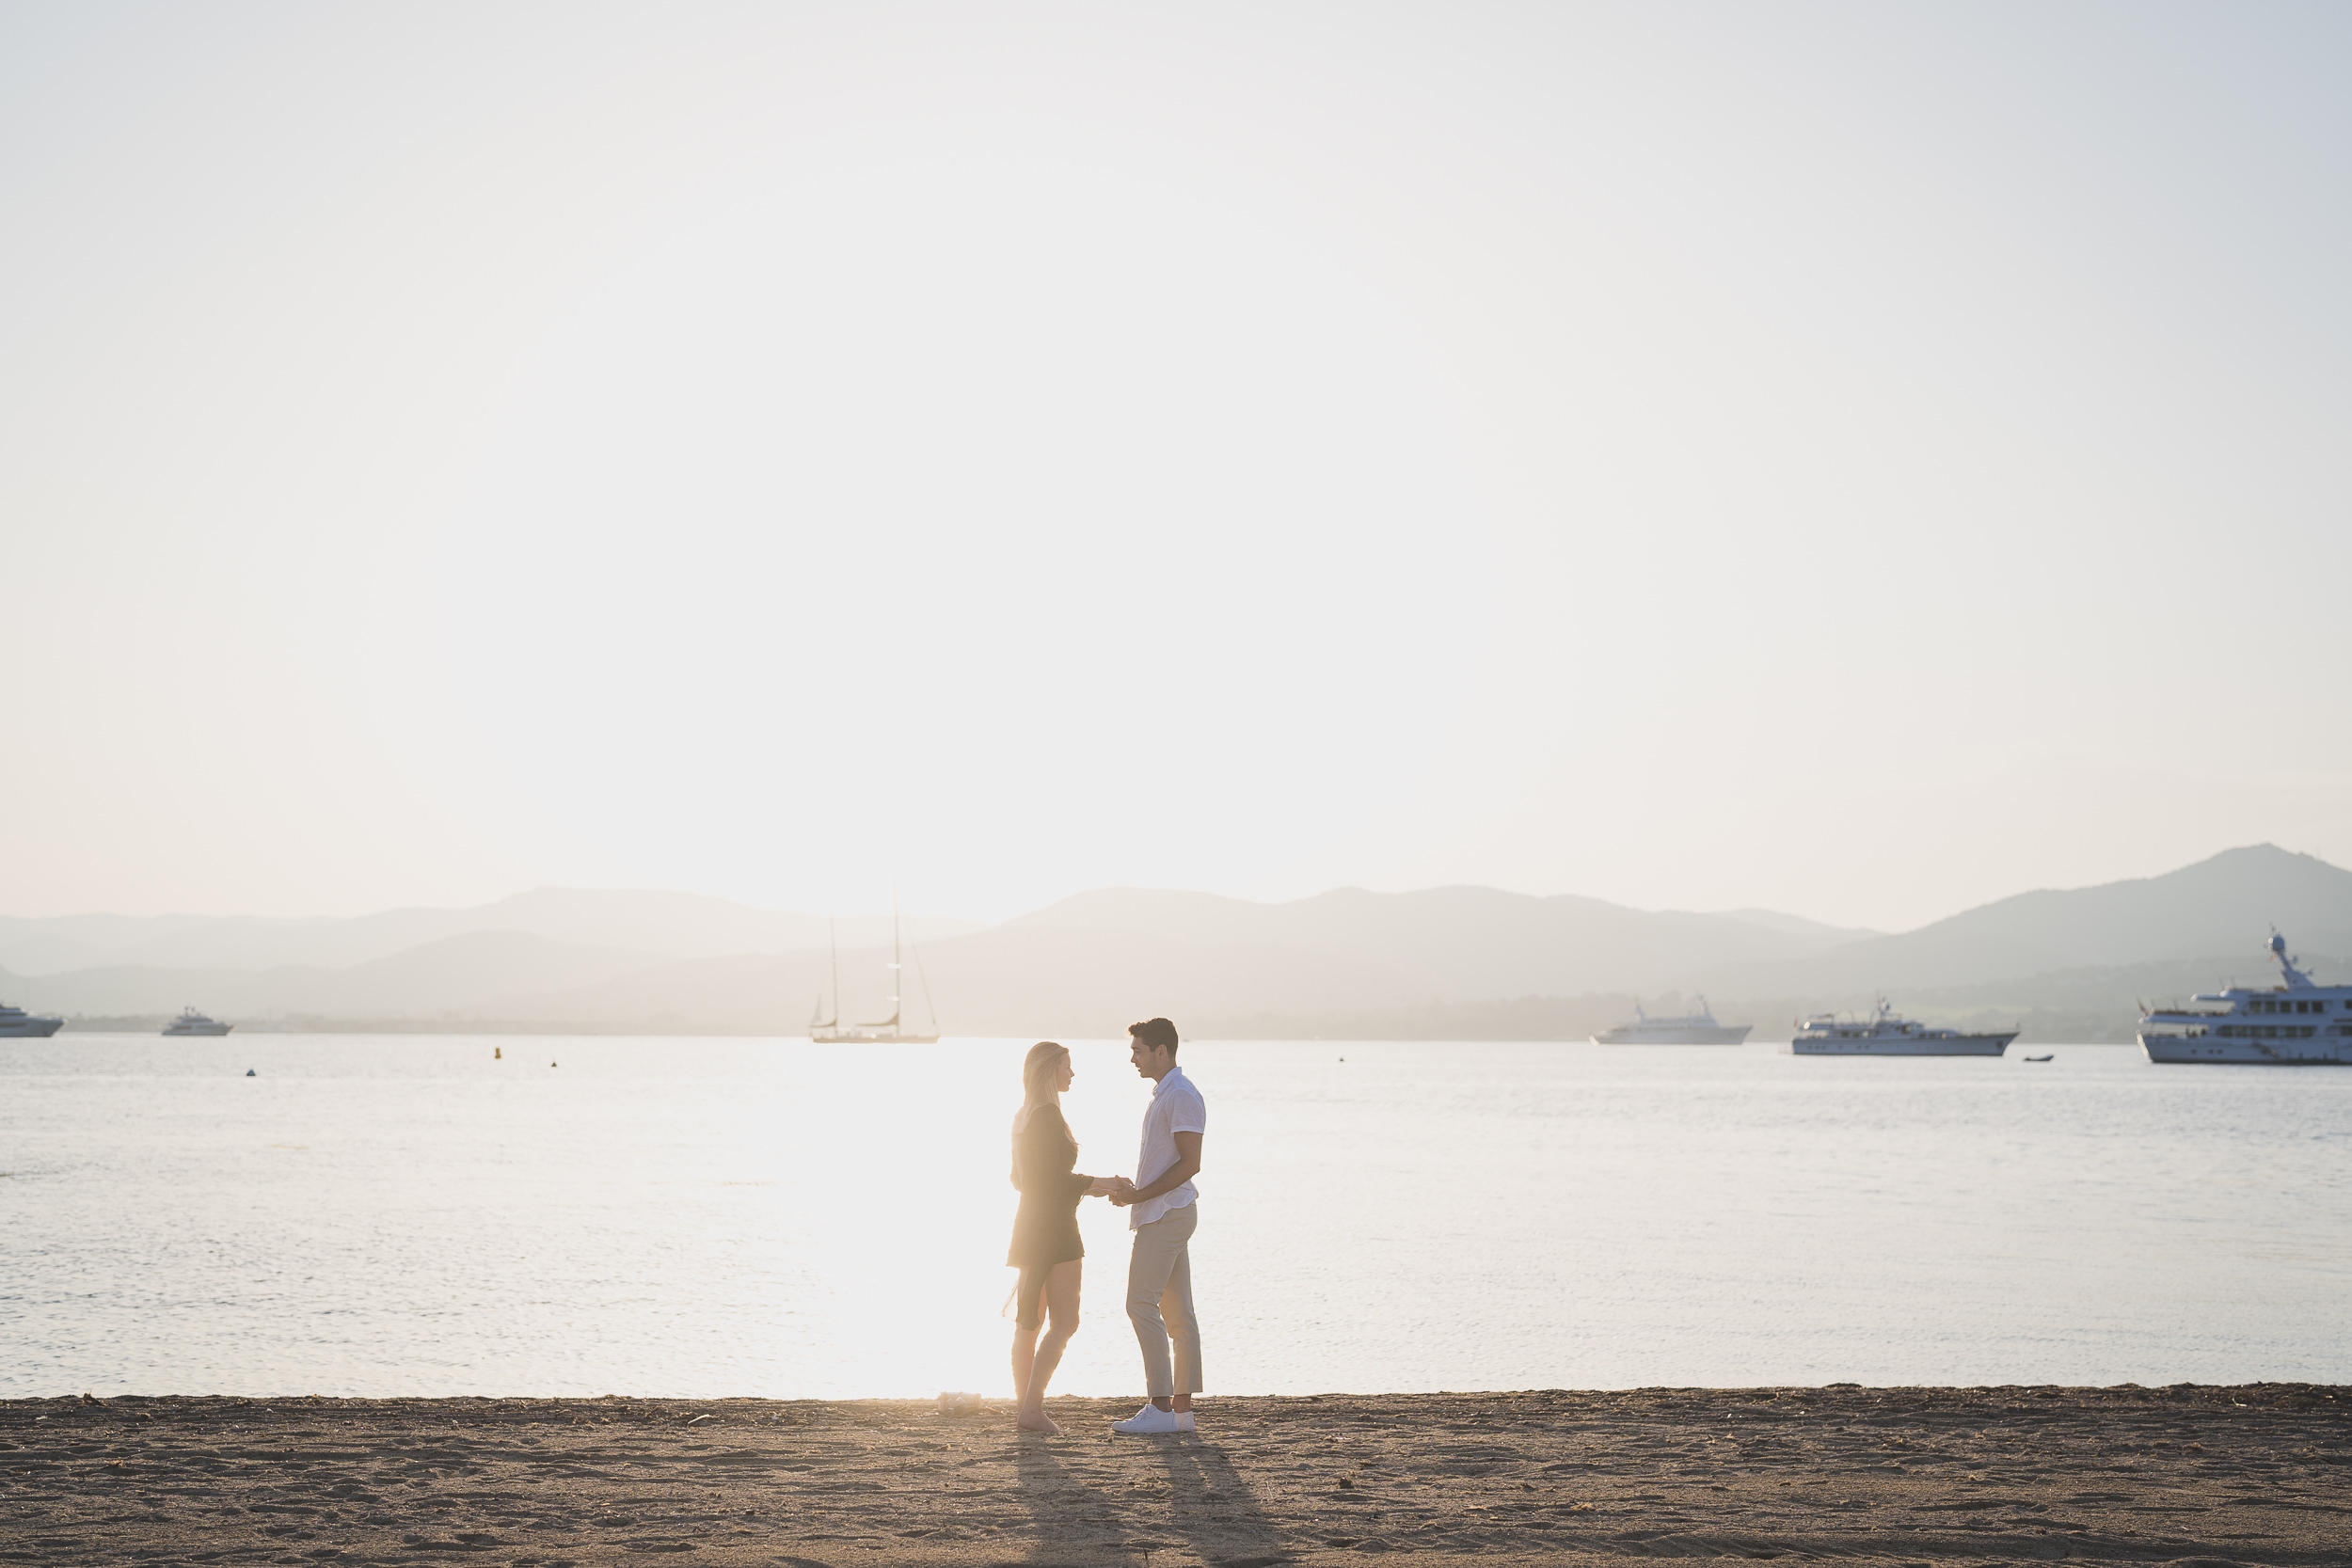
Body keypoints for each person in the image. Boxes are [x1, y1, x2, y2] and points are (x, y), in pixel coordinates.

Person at [1007, 1040, 1116, 1435]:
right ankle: (1031, 1409)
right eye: (1067, 1067)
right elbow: (1048, 1181)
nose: (1072, 1074)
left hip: (1029, 1227)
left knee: (1028, 1324)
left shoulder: (1024, 1116)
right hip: (1055, 1231)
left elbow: (1020, 1180)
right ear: (1050, 1071)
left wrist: (1087, 1186)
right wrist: (1101, 1184)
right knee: (1065, 1322)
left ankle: (1025, 1408)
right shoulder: (1049, 1116)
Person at [1105, 1016, 1205, 1434]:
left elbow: (1190, 1163)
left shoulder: (1180, 1094)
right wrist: (1135, 1190)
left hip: (1166, 1214)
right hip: (1165, 1210)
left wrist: (1138, 1196)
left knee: (1140, 1304)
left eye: (1138, 1051)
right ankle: (1181, 1413)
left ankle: (1160, 1407)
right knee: (1178, 1313)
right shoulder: (1166, 1093)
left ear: (1161, 1052)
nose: (1133, 1059)